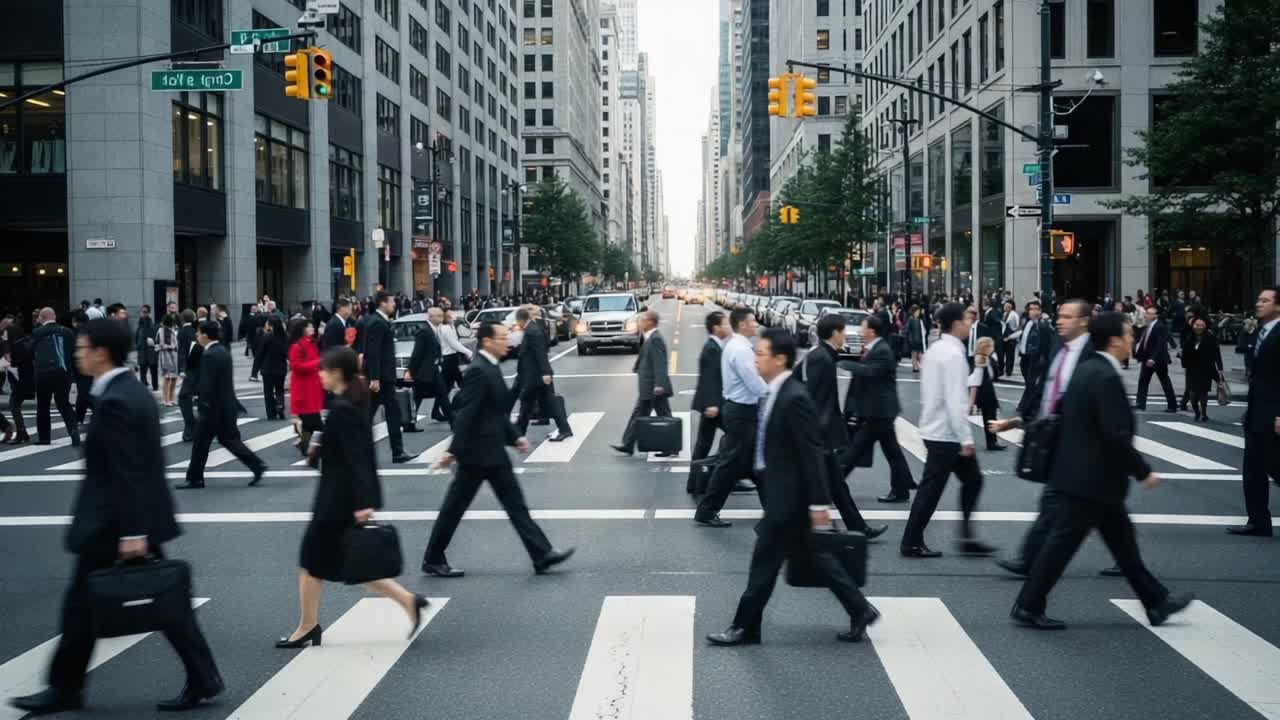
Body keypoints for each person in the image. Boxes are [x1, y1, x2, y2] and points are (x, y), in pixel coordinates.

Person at [9, 318, 223, 715]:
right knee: (154, 604)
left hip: (116, 524)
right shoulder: (129, 392)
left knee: (94, 606)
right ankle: (201, 676)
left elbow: (130, 470)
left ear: (101, 352)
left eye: (83, 347)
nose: (78, 353)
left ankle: (66, 689)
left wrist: (134, 531)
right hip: (126, 520)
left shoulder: (119, 400)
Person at [1011, 312, 1194, 630]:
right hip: (1091, 482)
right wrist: (1142, 471)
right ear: (1114, 341)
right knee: (1061, 547)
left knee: (1123, 547)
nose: (1132, 340)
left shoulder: (1086, 370)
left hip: (1090, 480)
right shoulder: (1105, 377)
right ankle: (1027, 605)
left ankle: (1156, 602)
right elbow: (1114, 435)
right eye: (1128, 335)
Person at [706, 328, 880, 647]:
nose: (756, 358)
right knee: (816, 557)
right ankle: (860, 608)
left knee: (764, 563)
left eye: (762, 353)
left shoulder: (794, 397)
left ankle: (745, 627)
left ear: (780, 359)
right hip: (783, 493)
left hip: (790, 498)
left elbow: (811, 453)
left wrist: (818, 505)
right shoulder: (776, 392)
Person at [277, 346, 430, 649]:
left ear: (336, 373)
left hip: (337, 500)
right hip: (342, 498)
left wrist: (363, 503)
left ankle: (307, 626)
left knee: (311, 561)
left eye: (323, 369)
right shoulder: (348, 402)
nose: (319, 374)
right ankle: (410, 602)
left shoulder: (345, 408)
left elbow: (360, 459)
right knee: (352, 563)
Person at [420, 322, 575, 577]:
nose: (508, 340)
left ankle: (542, 555)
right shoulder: (479, 370)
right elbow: (466, 415)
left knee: (516, 506)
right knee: (454, 508)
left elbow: (494, 412)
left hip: (492, 453)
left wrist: (514, 437)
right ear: (488, 341)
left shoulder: (490, 366)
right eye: (503, 337)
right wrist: (453, 451)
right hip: (475, 456)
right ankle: (433, 558)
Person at [993, 300, 1093, 576]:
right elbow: (1045, 388)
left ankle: (1031, 573)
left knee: (1085, 512)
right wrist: (1021, 419)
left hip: (1082, 445)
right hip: (1058, 440)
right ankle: (1152, 595)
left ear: (1084, 321)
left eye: (1067, 316)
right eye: (1059, 316)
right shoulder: (1059, 348)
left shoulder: (1092, 353)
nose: (1059, 321)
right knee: (1060, 506)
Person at [900, 302, 995, 558]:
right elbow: (955, 400)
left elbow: (952, 389)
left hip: (936, 429)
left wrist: (979, 366)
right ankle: (913, 541)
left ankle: (964, 537)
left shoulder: (936, 350)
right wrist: (965, 438)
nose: (969, 323)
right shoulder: (953, 354)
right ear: (956, 323)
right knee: (932, 490)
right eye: (966, 319)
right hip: (947, 434)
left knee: (970, 481)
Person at [801, 314, 888, 539]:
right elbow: (817, 399)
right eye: (842, 331)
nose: (846, 335)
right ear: (834, 333)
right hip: (819, 435)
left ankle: (858, 527)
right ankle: (771, 527)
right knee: (810, 486)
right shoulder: (823, 358)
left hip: (821, 434)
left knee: (838, 486)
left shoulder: (823, 354)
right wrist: (820, 434)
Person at [693, 307, 769, 527]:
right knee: (729, 466)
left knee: (756, 463)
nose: (756, 324)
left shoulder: (736, 345)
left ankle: (774, 510)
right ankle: (706, 511)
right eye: (753, 321)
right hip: (742, 413)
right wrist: (775, 393)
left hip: (739, 411)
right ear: (743, 325)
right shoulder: (741, 349)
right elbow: (753, 382)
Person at [177, 321, 268, 489]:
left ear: (205, 335)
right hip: (226, 406)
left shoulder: (209, 355)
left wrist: (201, 403)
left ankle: (195, 478)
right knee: (228, 440)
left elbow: (207, 383)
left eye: (198, 334)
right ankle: (257, 465)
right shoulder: (223, 351)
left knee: (201, 444)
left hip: (212, 408)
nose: (197, 337)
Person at [842, 314, 917, 504]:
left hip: (880, 411)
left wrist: (845, 364)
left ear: (872, 331)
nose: (860, 331)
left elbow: (871, 372)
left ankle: (832, 485)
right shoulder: (874, 348)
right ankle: (902, 489)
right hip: (879, 410)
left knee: (855, 450)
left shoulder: (882, 350)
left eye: (863, 327)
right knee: (891, 451)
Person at [1228, 287, 1279, 537]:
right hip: (1256, 410)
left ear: (1278, 306)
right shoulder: (1260, 331)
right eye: (1258, 299)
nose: (1259, 304)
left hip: (1273, 413)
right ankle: (1258, 520)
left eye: (1265, 300)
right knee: (1253, 469)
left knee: (1275, 465)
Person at [611, 310, 674, 456]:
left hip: (653, 386)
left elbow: (660, 363)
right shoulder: (650, 337)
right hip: (649, 386)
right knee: (641, 415)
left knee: (662, 416)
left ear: (650, 322)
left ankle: (670, 446)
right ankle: (628, 444)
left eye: (642, 320)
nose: (639, 323)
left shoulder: (655, 339)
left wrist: (659, 385)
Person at [363, 292, 411, 464]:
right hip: (382, 378)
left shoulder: (379, 321)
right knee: (388, 414)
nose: (394, 304)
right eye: (391, 301)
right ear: (382, 303)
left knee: (381, 414)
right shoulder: (377, 323)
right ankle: (397, 452)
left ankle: (397, 452)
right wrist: (375, 378)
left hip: (383, 377)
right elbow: (374, 353)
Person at [513, 307, 573, 440]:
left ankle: (564, 429)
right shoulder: (532, 328)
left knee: (535, 402)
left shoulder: (532, 331)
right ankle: (519, 432)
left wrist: (545, 373)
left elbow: (540, 353)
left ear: (520, 320)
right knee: (528, 403)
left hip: (537, 375)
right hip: (535, 374)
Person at [689, 310, 729, 492]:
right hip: (712, 405)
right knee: (737, 438)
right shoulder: (712, 349)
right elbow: (710, 378)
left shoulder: (715, 346)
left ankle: (694, 482)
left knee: (703, 444)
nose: (728, 326)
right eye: (725, 324)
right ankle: (731, 476)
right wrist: (712, 404)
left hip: (711, 404)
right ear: (716, 328)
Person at [31, 308, 80, 447]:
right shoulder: (67, 332)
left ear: (42, 318)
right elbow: (73, 353)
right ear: (54, 316)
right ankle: (73, 430)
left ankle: (45, 438)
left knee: (43, 405)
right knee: (64, 403)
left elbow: (31, 352)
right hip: (62, 373)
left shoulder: (37, 333)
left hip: (43, 374)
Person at [406, 308, 450, 424]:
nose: (441, 318)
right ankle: (409, 422)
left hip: (432, 370)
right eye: (438, 316)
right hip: (424, 371)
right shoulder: (425, 332)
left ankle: (453, 422)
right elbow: (417, 353)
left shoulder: (434, 330)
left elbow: (435, 349)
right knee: (421, 397)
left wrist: (439, 361)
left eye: (441, 315)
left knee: (440, 394)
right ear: (431, 317)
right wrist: (410, 370)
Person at [288, 318, 324, 456]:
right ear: (303, 329)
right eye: (310, 327)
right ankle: (314, 449)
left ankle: (305, 446)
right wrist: (316, 363)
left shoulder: (312, 344)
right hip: (303, 389)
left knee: (309, 424)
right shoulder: (297, 346)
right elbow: (295, 366)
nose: (313, 329)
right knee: (316, 423)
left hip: (313, 386)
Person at [1133, 305, 1178, 412]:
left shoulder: (1159, 326)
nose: (1147, 315)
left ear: (1155, 315)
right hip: (1147, 359)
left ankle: (1172, 405)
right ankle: (1140, 403)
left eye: (1149, 313)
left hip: (1158, 360)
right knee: (1143, 381)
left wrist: (1153, 358)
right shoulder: (1148, 326)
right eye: (1146, 313)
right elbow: (1144, 341)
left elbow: (1160, 344)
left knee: (1165, 381)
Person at [1181, 316, 1223, 423]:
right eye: (1196, 325)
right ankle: (1196, 410)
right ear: (1193, 326)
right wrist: (1184, 363)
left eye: (1201, 325)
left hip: (1206, 369)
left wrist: (1220, 368)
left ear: (1205, 326)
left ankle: (1204, 413)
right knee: (1192, 394)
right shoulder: (1189, 337)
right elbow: (1185, 352)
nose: (1198, 327)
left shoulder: (1210, 338)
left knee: (1203, 392)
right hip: (1192, 370)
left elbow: (1217, 354)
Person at [968, 337, 1004, 451]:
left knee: (990, 417)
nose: (993, 348)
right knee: (990, 417)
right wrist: (971, 402)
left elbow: (995, 373)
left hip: (987, 391)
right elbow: (975, 381)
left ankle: (992, 441)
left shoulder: (987, 358)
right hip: (985, 393)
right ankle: (992, 442)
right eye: (991, 346)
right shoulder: (981, 360)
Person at [4, 327, 33, 444]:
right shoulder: (26, 343)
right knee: (15, 406)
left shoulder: (17, 346)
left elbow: (15, 362)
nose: (5, 338)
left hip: (20, 380)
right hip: (26, 379)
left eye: (6, 335)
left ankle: (21, 433)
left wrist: (7, 363)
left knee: (14, 406)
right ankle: (23, 433)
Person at [258, 316, 289, 421]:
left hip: (268, 368)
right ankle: (280, 407)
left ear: (271, 325)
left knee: (268, 392)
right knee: (279, 390)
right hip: (281, 367)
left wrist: (255, 370)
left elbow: (260, 354)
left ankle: (271, 414)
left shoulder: (266, 337)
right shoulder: (285, 337)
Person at [177, 310, 201, 443]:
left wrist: (181, 369)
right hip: (201, 367)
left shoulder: (182, 332)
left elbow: (181, 352)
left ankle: (191, 427)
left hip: (191, 369)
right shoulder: (196, 330)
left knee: (184, 397)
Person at [437, 308, 472, 395]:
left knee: (450, 382)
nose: (454, 317)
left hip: (450, 358)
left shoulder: (449, 326)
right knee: (451, 383)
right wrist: (467, 352)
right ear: (446, 317)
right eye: (451, 315)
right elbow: (454, 343)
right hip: (449, 358)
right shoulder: (445, 328)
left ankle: (442, 403)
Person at [133, 305, 159, 391]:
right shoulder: (140, 324)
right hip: (142, 351)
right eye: (142, 311)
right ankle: (144, 385)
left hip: (150, 351)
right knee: (143, 370)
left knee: (153, 369)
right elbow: (137, 337)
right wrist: (138, 347)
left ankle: (155, 386)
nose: (143, 313)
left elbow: (154, 336)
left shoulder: (151, 324)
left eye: (145, 312)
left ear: (148, 312)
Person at [157, 313, 180, 407]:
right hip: (165, 355)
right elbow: (160, 344)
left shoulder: (173, 330)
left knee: (174, 377)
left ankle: (171, 398)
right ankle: (165, 399)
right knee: (167, 377)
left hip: (174, 355)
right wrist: (172, 346)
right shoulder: (161, 331)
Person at [1001, 300, 1020, 377]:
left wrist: (1012, 335)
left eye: (1006, 306)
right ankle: (1004, 369)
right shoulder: (1005, 314)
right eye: (1004, 306)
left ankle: (1009, 370)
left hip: (1011, 336)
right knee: (1004, 354)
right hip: (1004, 336)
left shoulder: (1014, 315)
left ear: (1010, 307)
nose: (1004, 308)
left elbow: (1017, 326)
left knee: (1010, 355)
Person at [906, 304, 925, 372]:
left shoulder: (919, 320)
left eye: (918, 312)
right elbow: (907, 330)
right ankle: (915, 367)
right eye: (917, 312)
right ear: (914, 312)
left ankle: (919, 366)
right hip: (913, 340)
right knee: (914, 354)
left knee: (919, 354)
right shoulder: (911, 319)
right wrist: (910, 339)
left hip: (919, 339)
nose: (918, 313)